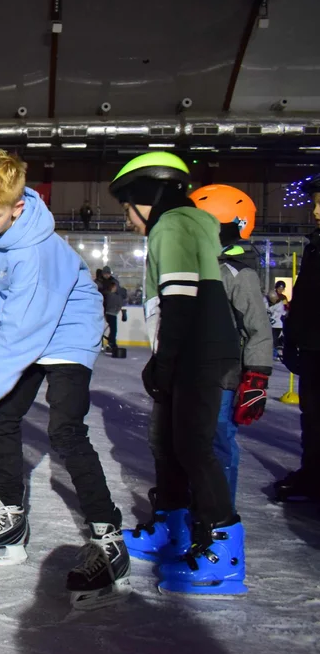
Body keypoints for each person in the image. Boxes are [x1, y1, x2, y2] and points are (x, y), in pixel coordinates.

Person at [0, 149, 130, 611]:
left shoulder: (36, 252)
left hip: (69, 328)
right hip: (26, 318)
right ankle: (10, 517)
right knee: (3, 414)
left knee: (64, 431)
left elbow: (23, 342)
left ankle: (109, 538)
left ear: (18, 208)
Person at [109, 152, 245, 596]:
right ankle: (173, 529)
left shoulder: (173, 225)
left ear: (145, 198)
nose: (128, 221)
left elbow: (182, 300)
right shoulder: (188, 224)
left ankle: (224, 554)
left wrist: (166, 362)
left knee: (192, 447)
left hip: (196, 354)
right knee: (168, 444)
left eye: (127, 209)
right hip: (190, 350)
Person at [190, 184, 273, 504]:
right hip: (194, 372)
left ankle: (219, 510)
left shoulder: (238, 274)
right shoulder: (199, 267)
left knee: (218, 441)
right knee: (194, 441)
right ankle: (195, 503)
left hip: (223, 376)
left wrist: (257, 377)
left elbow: (258, 328)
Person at [276, 176, 320, 501]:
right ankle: (312, 473)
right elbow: (305, 300)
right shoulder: (315, 245)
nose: (316, 212)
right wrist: (292, 339)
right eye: (315, 203)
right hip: (312, 348)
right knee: (312, 418)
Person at [102, 278, 124, 354]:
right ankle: (111, 344)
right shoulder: (112, 296)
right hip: (112, 314)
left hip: (109, 314)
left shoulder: (108, 295)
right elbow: (119, 304)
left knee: (112, 330)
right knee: (113, 330)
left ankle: (111, 343)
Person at [268, 281, 288, 358]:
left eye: (282, 289)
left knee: (278, 338)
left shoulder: (283, 297)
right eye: (279, 288)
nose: (280, 290)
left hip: (279, 321)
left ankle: (278, 352)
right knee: (273, 337)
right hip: (272, 321)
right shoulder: (271, 296)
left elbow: (286, 307)